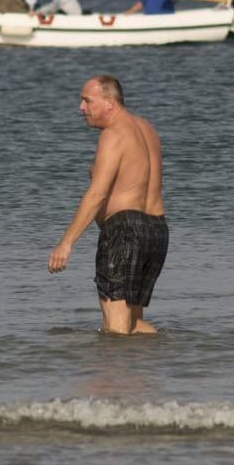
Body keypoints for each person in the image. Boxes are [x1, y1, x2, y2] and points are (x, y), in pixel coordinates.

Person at [48, 75, 168, 335]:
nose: (81, 107)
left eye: (87, 101)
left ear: (109, 102)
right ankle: (156, 363)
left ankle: (112, 375)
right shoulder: (146, 128)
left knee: (115, 332)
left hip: (124, 233)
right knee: (133, 324)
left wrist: (66, 243)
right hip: (156, 230)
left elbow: (98, 194)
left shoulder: (113, 135)